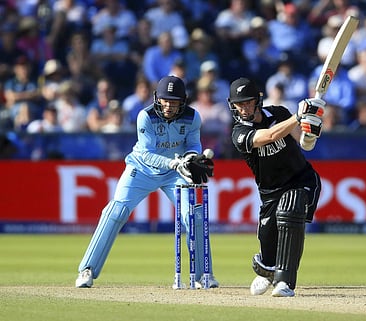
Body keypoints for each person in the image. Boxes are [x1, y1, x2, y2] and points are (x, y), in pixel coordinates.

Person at [75, 76, 217, 289]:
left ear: (183, 101)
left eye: (174, 101)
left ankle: (201, 275)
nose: (169, 105)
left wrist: (192, 159)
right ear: (157, 98)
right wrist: (175, 163)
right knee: (116, 211)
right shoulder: (146, 116)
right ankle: (87, 270)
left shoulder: (193, 117)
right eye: (165, 100)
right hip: (141, 169)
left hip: (174, 172)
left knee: (192, 214)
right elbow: (148, 154)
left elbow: (193, 144)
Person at [228, 77, 322, 297]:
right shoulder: (238, 132)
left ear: (257, 100)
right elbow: (268, 136)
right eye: (239, 104)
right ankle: (268, 271)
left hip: (301, 179)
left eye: (248, 102)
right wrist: (297, 117)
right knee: (267, 251)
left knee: (290, 212)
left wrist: (311, 125)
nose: (244, 108)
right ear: (232, 105)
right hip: (270, 193)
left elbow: (305, 144)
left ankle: (285, 282)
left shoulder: (278, 113)